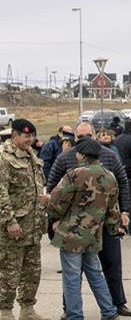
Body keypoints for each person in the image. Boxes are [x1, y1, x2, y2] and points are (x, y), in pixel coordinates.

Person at [49, 122, 131, 317]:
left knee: (72, 277)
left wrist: (54, 220)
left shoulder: (74, 175)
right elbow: (113, 207)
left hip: (72, 234)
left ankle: (74, 314)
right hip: (95, 233)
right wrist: (117, 226)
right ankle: (109, 310)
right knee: (96, 274)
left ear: (80, 155)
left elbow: (56, 201)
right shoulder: (109, 175)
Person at [0, 119, 48, 320]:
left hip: (33, 225)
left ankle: (27, 309)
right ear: (15, 136)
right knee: (9, 271)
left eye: (32, 135)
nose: (29, 139)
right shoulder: (4, 158)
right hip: (14, 226)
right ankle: (5, 310)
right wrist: (9, 221)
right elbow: (1, 192)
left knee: (32, 271)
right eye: (25, 135)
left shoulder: (32, 157)